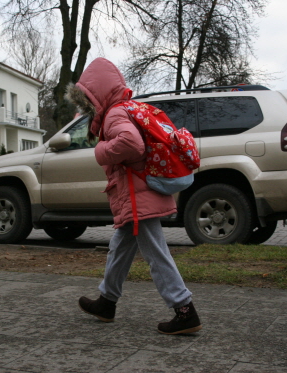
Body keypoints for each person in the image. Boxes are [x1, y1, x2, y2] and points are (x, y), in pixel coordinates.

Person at [65, 57, 201, 335]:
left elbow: (130, 143)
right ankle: (107, 301)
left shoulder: (115, 113)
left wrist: (100, 151)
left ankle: (184, 310)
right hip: (139, 194)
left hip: (139, 197)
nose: (86, 106)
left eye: (87, 99)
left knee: (156, 254)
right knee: (120, 247)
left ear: (97, 94)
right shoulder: (128, 108)